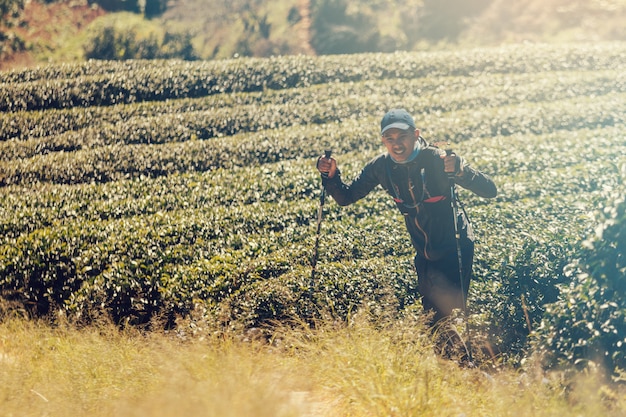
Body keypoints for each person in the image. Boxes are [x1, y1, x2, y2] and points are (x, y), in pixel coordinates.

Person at [316, 108, 497, 331]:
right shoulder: (380, 167)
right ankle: (457, 363)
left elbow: (490, 190)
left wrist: (461, 171)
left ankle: (466, 358)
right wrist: (332, 175)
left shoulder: (437, 159)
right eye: (390, 139)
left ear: (415, 134)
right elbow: (346, 197)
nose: (397, 144)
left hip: (455, 248)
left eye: (402, 137)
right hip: (424, 255)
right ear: (383, 140)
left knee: (440, 320)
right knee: (434, 323)